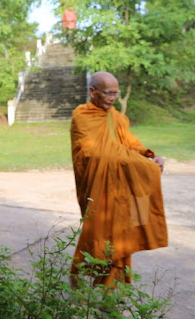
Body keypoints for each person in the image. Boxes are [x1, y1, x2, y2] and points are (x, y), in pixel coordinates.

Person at [70, 71, 168, 287]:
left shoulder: (117, 118)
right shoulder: (82, 116)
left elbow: (130, 144)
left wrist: (150, 156)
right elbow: (94, 153)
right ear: (92, 91)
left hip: (121, 183)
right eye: (108, 93)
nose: (113, 97)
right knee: (99, 231)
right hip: (98, 184)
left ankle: (110, 289)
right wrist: (142, 165)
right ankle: (77, 277)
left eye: (116, 93)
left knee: (123, 232)